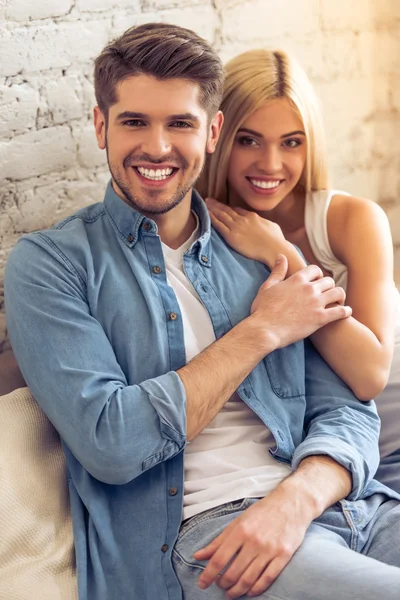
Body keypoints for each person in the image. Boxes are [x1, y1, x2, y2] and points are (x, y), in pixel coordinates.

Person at [4, 23, 400, 600]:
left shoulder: (254, 252)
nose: (158, 147)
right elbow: (113, 443)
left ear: (212, 131)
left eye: (180, 124)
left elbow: (353, 411)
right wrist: (260, 331)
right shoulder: (53, 266)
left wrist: (297, 498)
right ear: (100, 126)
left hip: (339, 507)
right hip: (209, 540)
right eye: (135, 121)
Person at [199, 48, 400, 494]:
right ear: (217, 135)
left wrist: (283, 253)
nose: (270, 164)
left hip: (388, 446)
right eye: (248, 139)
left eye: (291, 142)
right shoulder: (210, 229)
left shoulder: (351, 221)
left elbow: (369, 374)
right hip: (320, 460)